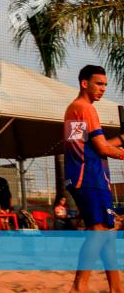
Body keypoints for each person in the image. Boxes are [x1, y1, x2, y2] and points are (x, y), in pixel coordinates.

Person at [64, 65, 124, 293]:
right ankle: (79, 286)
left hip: (83, 175)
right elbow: (100, 148)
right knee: (99, 230)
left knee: (106, 233)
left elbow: (86, 145)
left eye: (105, 85)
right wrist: (120, 152)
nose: (103, 89)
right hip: (90, 177)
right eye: (99, 84)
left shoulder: (74, 109)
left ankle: (116, 288)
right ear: (84, 83)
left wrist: (119, 140)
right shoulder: (87, 109)